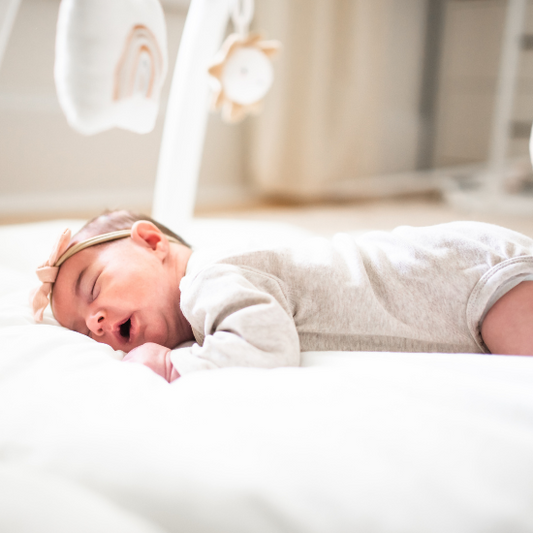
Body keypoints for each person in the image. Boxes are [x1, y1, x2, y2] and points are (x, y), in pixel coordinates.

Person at [32, 210, 533, 383]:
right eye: (83, 328)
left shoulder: (210, 275)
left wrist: (171, 368)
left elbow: (264, 345)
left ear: (152, 242)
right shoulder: (207, 306)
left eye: (94, 288)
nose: (95, 322)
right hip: (469, 285)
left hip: (469, 280)